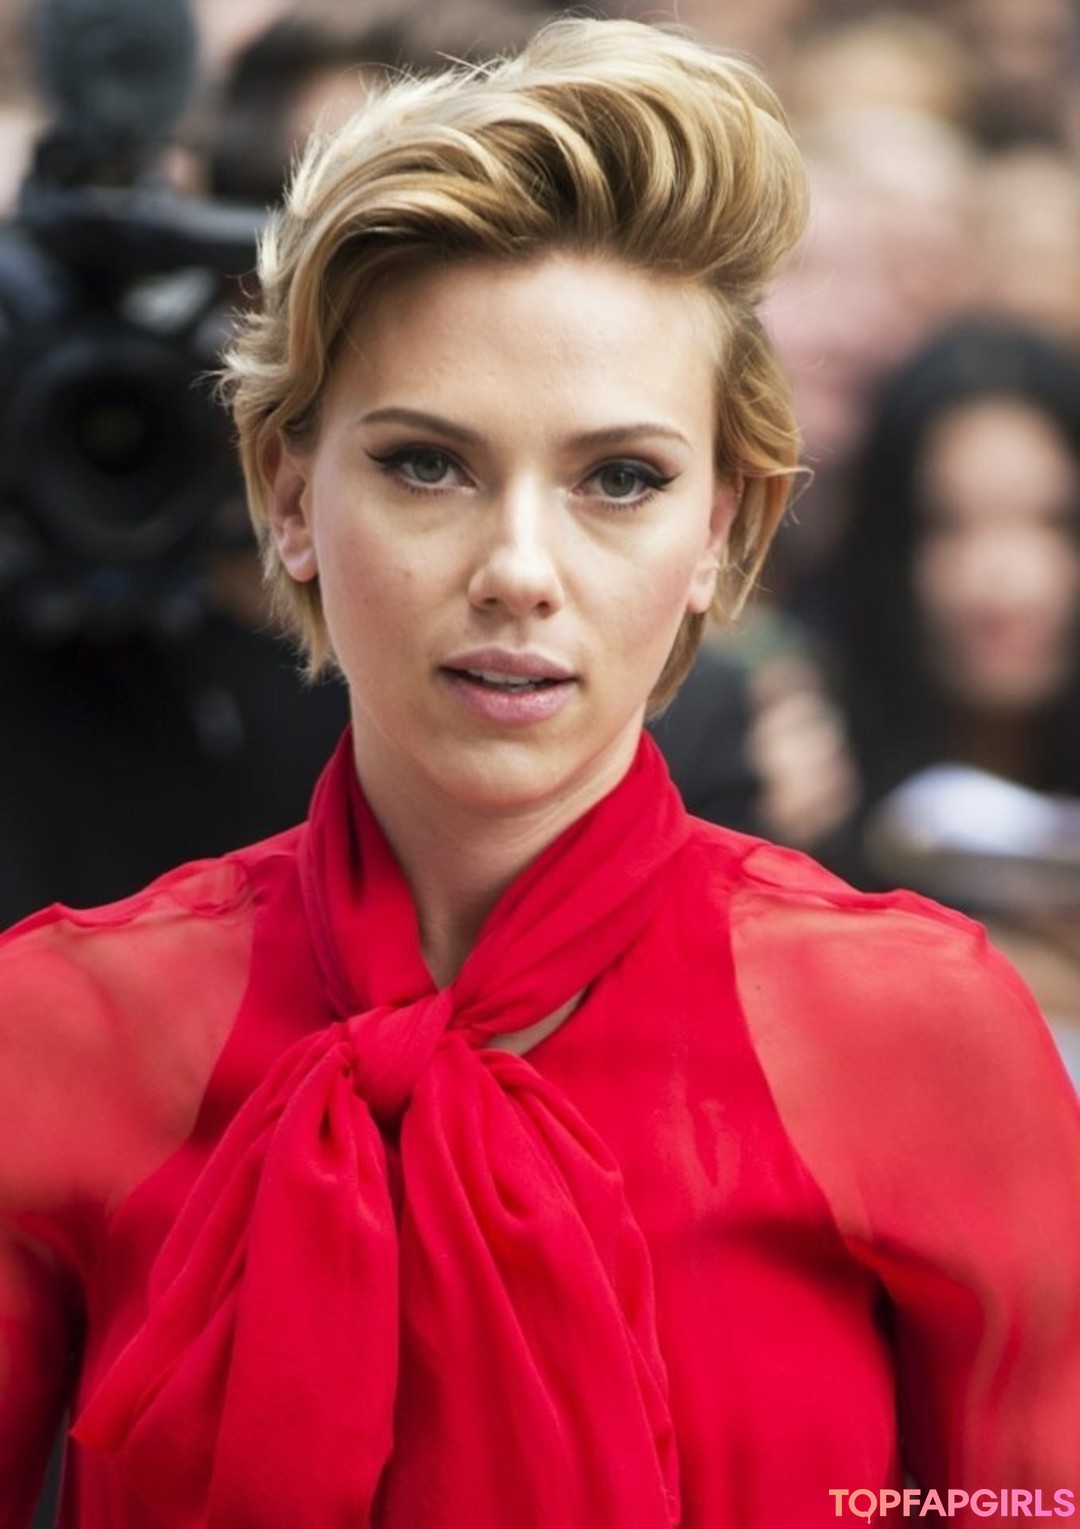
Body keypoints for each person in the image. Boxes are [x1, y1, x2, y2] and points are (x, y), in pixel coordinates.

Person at [1, 19, 1077, 1528]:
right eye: (426, 463)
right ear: (288, 496)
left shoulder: (921, 1033)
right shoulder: (60, 1034)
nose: (519, 568)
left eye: (619, 479)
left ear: (721, 529)